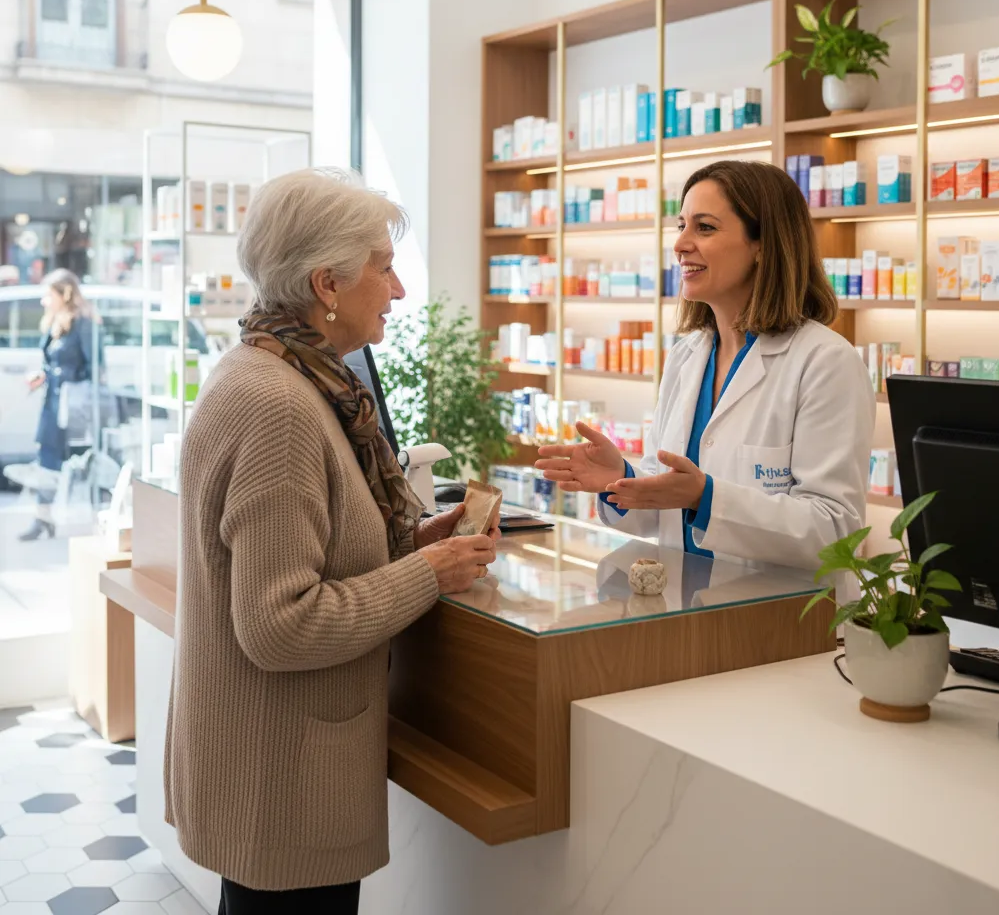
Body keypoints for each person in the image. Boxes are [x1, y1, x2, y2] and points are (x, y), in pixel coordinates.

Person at [165, 168, 499, 915]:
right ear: (327, 285)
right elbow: (281, 626)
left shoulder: (279, 373)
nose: (399, 291)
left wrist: (416, 544)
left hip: (266, 770)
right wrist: (430, 574)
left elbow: (311, 542)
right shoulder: (281, 407)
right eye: (384, 268)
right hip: (281, 777)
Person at [537, 160, 874, 571]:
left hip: (781, 621)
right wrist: (620, 479)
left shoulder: (825, 362)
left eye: (705, 227)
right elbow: (666, 509)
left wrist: (706, 497)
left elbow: (835, 531)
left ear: (763, 245)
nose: (680, 244)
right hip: (690, 615)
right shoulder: (687, 356)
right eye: (681, 225)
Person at [19, 269, 100, 541]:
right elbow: (50, 362)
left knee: (82, 461)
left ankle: (93, 519)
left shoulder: (84, 323)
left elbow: (96, 368)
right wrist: (43, 374)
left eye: (48, 294)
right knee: (47, 461)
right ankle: (43, 518)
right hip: (54, 404)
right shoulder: (56, 323)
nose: (44, 301)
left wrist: (65, 378)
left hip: (74, 407)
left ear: (63, 294)